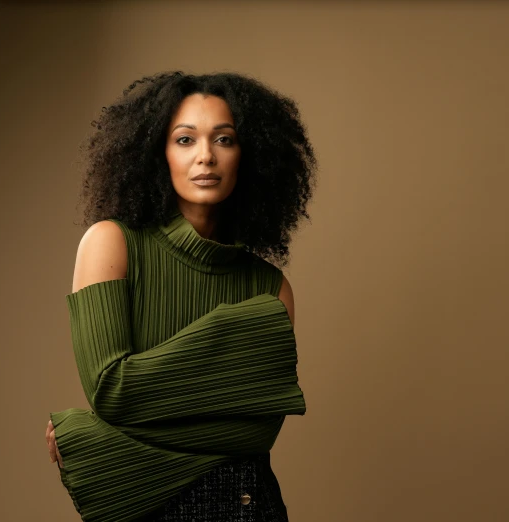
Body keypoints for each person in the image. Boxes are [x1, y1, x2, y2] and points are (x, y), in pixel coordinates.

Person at [45, 71, 317, 521]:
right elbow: (112, 391)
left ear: (248, 155)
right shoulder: (111, 245)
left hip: (247, 507)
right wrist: (227, 360)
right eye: (185, 139)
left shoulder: (271, 287)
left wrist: (87, 437)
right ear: (158, 152)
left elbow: (257, 432)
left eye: (224, 139)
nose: (206, 156)